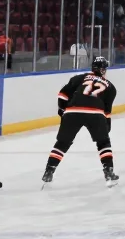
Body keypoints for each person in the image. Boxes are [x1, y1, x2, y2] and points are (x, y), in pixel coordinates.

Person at [43, 56, 118, 186]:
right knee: (103, 142)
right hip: (96, 113)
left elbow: (62, 95)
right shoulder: (110, 87)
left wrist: (62, 110)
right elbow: (107, 110)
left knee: (62, 143)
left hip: (73, 111)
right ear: (103, 70)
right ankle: (108, 170)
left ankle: (49, 171)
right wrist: (106, 127)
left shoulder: (79, 78)